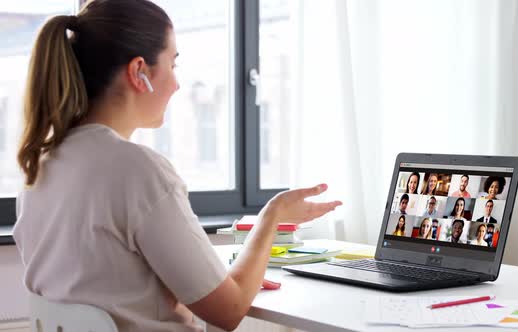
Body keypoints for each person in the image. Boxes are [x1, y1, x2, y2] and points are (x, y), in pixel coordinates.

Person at [12, 1, 342, 331]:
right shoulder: (137, 170)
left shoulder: (40, 167)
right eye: (173, 64)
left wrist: (225, 280)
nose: (177, 84)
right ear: (139, 71)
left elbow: (109, 287)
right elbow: (227, 313)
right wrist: (271, 217)